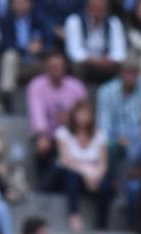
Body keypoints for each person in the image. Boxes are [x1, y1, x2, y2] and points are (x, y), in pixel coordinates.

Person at [52, 99, 111, 233]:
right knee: (71, 176)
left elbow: (103, 163)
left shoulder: (100, 135)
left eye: (86, 114)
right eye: (80, 113)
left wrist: (95, 176)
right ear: (74, 115)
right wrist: (86, 175)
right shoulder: (63, 133)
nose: (83, 117)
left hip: (92, 174)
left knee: (105, 185)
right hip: (69, 173)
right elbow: (66, 160)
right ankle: (73, 215)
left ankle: (101, 225)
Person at [26, 48, 85, 179]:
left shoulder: (76, 87)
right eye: (52, 67)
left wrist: (70, 121)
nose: (56, 70)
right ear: (46, 67)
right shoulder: (36, 86)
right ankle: (45, 185)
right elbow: (37, 114)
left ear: (65, 67)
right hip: (48, 136)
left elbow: (84, 114)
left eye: (59, 66)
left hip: (73, 134)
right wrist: (42, 135)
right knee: (42, 146)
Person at [0, 0, 56, 105]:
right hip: (17, 59)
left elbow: (49, 41)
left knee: (53, 59)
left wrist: (40, 47)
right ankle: (7, 95)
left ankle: (52, 97)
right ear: (11, 4)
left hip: (37, 59)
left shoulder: (39, 19)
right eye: (17, 2)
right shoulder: (5, 21)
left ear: (30, 4)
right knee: (9, 56)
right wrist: (25, 48)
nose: (20, 4)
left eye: (23, 1)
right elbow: (5, 44)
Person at [62, 0, 126, 86]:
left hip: (107, 64)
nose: (97, 12)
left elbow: (120, 52)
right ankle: (79, 91)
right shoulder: (74, 21)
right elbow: (74, 52)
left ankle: (114, 92)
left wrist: (108, 60)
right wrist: (95, 61)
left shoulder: (113, 22)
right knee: (76, 65)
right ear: (87, 8)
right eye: (94, 8)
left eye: (101, 9)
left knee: (124, 66)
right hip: (85, 65)